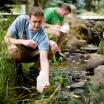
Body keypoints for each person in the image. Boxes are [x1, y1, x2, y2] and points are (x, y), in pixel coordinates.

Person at [4, 6, 58, 92]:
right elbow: (6, 38)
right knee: (12, 52)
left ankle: (34, 70)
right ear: (29, 19)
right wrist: (23, 41)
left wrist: (46, 81)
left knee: (53, 45)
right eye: (34, 21)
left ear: (43, 20)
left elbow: (44, 60)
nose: (36, 25)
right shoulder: (21, 20)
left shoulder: (42, 33)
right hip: (19, 50)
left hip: (33, 54)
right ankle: (18, 73)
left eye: (40, 22)